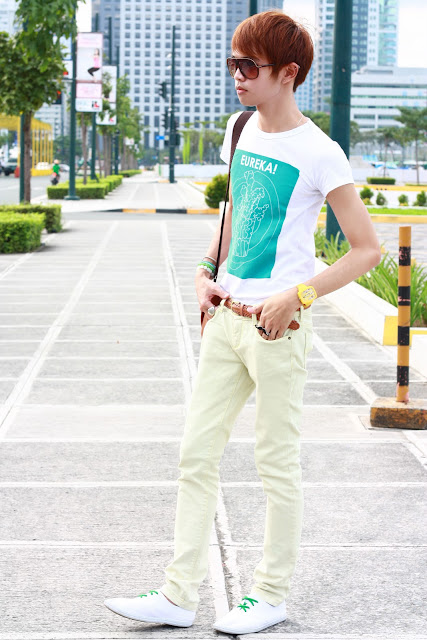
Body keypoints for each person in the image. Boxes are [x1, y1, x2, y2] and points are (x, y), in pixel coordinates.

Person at [104, 10, 381, 635]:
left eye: (248, 66)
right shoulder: (241, 128)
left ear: (288, 73)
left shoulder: (320, 153)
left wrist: (298, 297)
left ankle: (270, 595)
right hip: (227, 318)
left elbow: (367, 249)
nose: (237, 75)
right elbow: (235, 211)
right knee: (196, 453)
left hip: (277, 328)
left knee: (275, 463)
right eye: (233, 63)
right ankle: (178, 594)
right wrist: (208, 270)